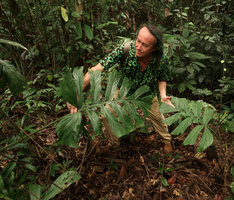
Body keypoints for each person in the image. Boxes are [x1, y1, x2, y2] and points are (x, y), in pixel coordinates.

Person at [68, 24, 174, 153]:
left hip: (147, 93)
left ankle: (166, 141)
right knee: (106, 114)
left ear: (154, 48)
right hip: (122, 90)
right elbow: (96, 69)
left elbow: (162, 78)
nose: (139, 47)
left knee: (158, 118)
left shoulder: (159, 59)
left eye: (145, 45)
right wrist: (77, 92)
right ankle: (115, 142)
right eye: (138, 41)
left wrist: (163, 95)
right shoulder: (125, 50)